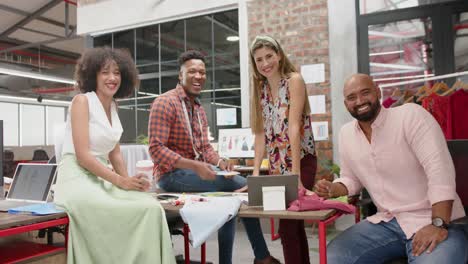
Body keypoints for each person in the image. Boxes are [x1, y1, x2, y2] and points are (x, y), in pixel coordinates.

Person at [314, 73, 468, 264]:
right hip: (387, 223)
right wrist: (334, 188)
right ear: (346, 104)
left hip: (439, 219)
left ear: (378, 92)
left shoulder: (411, 116)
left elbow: (440, 173)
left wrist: (438, 224)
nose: (360, 101)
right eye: (352, 97)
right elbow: (351, 178)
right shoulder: (346, 134)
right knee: (333, 258)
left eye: (365, 92)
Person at [149, 50, 279, 264]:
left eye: (202, 72)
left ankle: (240, 259)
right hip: (170, 175)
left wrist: (220, 162)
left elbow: (205, 148)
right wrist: (195, 166)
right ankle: (262, 257)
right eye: (192, 71)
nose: (198, 76)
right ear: (180, 76)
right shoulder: (165, 103)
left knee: (229, 201)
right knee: (241, 184)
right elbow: (156, 149)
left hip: (192, 172)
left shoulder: (198, 109)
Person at [54, 47, 175, 264]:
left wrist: (130, 181)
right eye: (105, 72)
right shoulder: (82, 101)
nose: (112, 78)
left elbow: (115, 153)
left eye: (117, 73)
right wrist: (120, 181)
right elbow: (82, 156)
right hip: (76, 178)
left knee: (150, 206)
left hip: (100, 177)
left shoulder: (112, 107)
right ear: (93, 75)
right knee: (130, 210)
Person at [249, 35, 317, 264]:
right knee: (291, 226)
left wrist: (295, 175)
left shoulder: (294, 80)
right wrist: (257, 172)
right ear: (254, 64)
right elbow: (260, 134)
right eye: (259, 60)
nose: (265, 63)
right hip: (278, 166)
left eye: (269, 56)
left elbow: (294, 127)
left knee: (287, 226)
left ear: (279, 55)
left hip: (302, 160)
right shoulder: (261, 89)